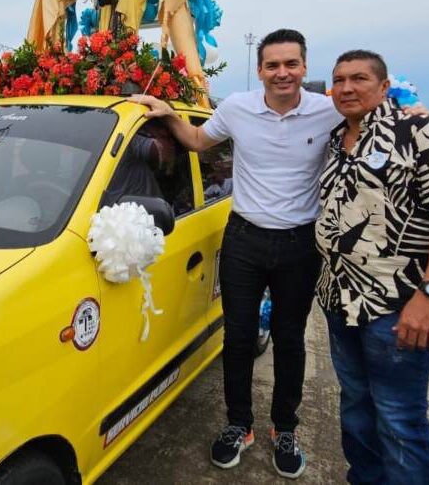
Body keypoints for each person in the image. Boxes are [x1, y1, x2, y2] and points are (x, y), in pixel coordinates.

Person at [133, 29, 337, 478]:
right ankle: (238, 424)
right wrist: (167, 114)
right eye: (272, 65)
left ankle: (284, 428)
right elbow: (197, 141)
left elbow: (371, 119)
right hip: (244, 239)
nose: (281, 73)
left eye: (291, 64)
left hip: (300, 244)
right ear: (260, 69)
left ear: (304, 66)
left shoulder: (328, 111)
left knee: (289, 340)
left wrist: (409, 109)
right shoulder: (238, 108)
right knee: (238, 337)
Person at [316, 50, 429, 485]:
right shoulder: (334, 139)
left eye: (359, 78)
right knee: (356, 407)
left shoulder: (421, 131)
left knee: (400, 418)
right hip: (338, 299)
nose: (347, 87)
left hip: (400, 305)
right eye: (339, 80)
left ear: (384, 87)